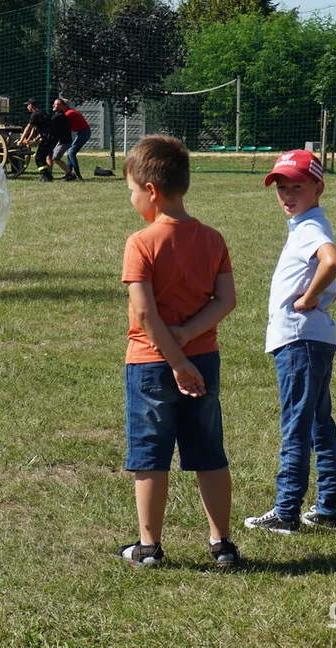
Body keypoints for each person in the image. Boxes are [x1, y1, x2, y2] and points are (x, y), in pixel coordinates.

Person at [115, 135, 241, 569]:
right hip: (203, 360)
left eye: (131, 190)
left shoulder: (141, 242)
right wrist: (188, 339)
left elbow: (146, 315)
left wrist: (175, 360)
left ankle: (148, 548)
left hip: (152, 365)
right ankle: (222, 544)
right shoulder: (212, 238)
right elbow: (225, 301)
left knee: (150, 455)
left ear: (150, 191)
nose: (131, 198)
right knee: (209, 451)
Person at [244, 150, 336, 535]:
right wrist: (323, 303)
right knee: (319, 424)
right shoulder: (308, 224)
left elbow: (334, 262)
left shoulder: (309, 229)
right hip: (313, 338)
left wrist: (309, 301)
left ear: (318, 188)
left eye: (297, 187)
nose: (287, 195)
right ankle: (327, 508)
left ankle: (286, 510)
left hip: (299, 341)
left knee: (296, 424)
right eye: (281, 188)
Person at [18, 98, 54, 182]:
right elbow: (34, 129)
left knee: (39, 157)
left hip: (48, 137)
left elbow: (28, 128)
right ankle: (48, 175)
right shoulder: (43, 112)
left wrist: (21, 140)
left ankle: (46, 176)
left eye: (28, 105)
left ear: (31, 105)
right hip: (52, 137)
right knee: (42, 156)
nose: (27, 107)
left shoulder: (35, 114)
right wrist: (30, 139)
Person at [54, 98, 91, 179]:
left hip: (84, 132)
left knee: (71, 152)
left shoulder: (68, 114)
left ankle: (77, 175)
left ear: (65, 106)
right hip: (81, 132)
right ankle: (69, 173)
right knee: (70, 151)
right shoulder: (67, 113)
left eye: (60, 105)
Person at [48, 100, 74, 181]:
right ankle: (48, 175)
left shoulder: (59, 116)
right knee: (49, 155)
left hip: (64, 142)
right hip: (59, 141)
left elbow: (48, 125)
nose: (53, 106)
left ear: (62, 106)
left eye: (56, 105)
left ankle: (70, 174)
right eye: (54, 104)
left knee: (56, 158)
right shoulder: (58, 115)